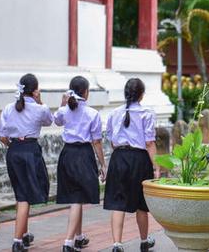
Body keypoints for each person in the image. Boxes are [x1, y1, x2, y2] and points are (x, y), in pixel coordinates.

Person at [0, 73, 54, 252]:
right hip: (30, 150)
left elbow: (2, 136)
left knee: (20, 193)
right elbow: (49, 121)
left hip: (14, 151)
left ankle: (23, 233)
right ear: (35, 90)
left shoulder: (8, 108)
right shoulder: (40, 109)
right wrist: (40, 101)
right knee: (24, 196)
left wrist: (13, 146)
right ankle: (17, 241)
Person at [103, 78, 159, 252]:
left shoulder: (114, 113)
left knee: (118, 202)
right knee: (141, 204)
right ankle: (143, 241)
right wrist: (156, 166)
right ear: (141, 95)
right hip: (139, 159)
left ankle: (117, 244)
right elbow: (149, 143)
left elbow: (112, 142)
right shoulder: (147, 113)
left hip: (119, 158)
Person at [54, 76, 106, 252]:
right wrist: (103, 165)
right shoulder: (93, 114)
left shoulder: (64, 111)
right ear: (86, 92)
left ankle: (79, 236)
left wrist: (62, 104)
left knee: (78, 196)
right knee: (77, 198)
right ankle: (68, 241)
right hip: (83, 155)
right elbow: (97, 141)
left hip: (67, 154)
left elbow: (57, 120)